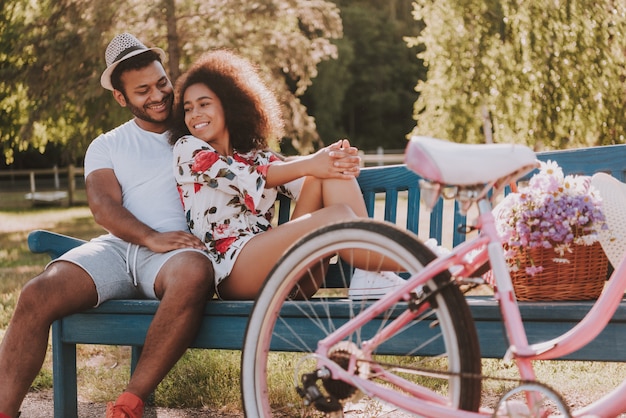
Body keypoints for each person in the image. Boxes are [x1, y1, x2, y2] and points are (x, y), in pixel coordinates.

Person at [0, 33, 214, 418]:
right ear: (121, 97)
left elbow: (258, 159)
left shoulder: (198, 126)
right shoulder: (108, 144)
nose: (158, 95)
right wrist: (150, 236)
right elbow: (102, 206)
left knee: (196, 270)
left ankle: (128, 405)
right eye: (143, 90)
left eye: (161, 82)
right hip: (119, 248)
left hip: (175, 254)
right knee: (36, 294)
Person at [169, 50, 406, 300]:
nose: (194, 114)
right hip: (236, 274)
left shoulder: (253, 154)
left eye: (204, 104)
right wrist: (312, 163)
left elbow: (299, 178)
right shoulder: (188, 149)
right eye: (188, 108)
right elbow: (249, 178)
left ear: (229, 105)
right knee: (336, 215)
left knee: (330, 170)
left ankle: (371, 273)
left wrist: (332, 160)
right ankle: (425, 263)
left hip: (288, 276)